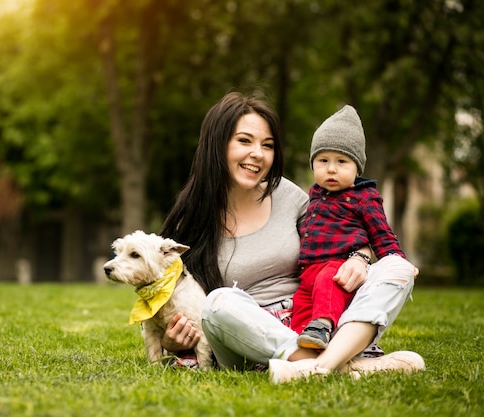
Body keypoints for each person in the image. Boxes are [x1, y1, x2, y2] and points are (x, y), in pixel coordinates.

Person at [158, 91, 425, 383]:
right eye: (244, 141)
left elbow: (342, 232)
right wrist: (171, 342)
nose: (258, 154)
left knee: (397, 267)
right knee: (218, 303)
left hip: (315, 324)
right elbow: (161, 307)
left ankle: (317, 366)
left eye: (268, 145)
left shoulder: (287, 195)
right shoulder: (190, 221)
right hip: (248, 333)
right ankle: (344, 364)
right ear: (217, 144)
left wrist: (361, 258)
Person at [291, 104, 409, 351]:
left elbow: (381, 233)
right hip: (308, 271)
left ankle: (322, 325)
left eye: (341, 161)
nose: (331, 169)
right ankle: (303, 343)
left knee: (327, 284)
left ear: (357, 169)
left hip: (339, 267)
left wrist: (397, 260)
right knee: (301, 304)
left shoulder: (364, 197)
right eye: (323, 160)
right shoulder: (314, 194)